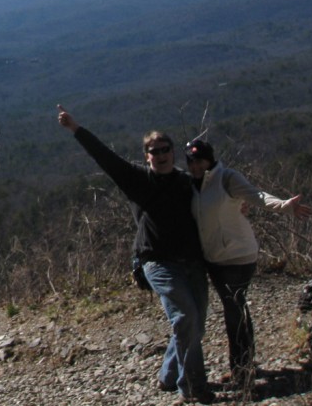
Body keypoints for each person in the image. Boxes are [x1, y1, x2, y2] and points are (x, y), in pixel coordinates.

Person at [57, 106, 215, 404]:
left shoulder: (186, 181)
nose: (160, 154)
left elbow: (215, 201)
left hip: (193, 262)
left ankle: (168, 375)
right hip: (157, 262)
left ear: (172, 151)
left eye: (164, 149)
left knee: (196, 325)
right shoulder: (137, 179)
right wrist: (76, 129)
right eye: (153, 151)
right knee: (186, 318)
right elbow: (105, 157)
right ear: (147, 156)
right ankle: (193, 387)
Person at [184, 138, 312, 391]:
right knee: (236, 307)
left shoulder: (227, 178)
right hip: (213, 258)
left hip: (239, 256)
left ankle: (241, 371)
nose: (196, 165)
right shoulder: (190, 185)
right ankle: (245, 364)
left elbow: (256, 196)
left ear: (210, 159)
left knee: (234, 309)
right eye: (191, 161)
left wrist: (284, 206)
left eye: (200, 160)